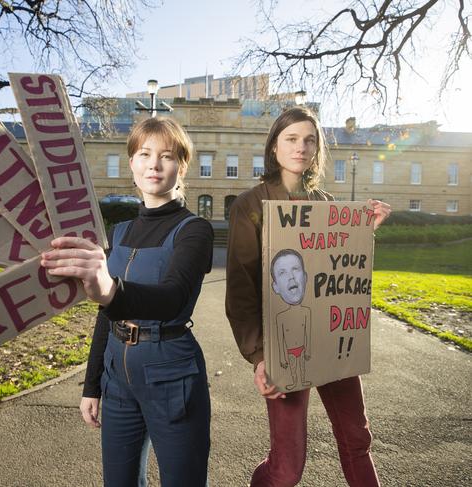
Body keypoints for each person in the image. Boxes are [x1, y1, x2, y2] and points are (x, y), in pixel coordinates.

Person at [41, 116, 213, 487]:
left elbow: (172, 297)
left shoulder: (194, 230)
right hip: (117, 379)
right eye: (144, 153)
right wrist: (92, 385)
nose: (154, 164)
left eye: (166, 156)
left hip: (172, 374)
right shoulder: (118, 233)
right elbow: (107, 315)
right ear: (132, 162)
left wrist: (110, 289)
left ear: (181, 166)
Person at [225, 106, 391, 487]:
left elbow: (342, 271)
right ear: (274, 147)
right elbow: (241, 291)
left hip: (332, 339)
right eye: (291, 139)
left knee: (357, 440)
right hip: (284, 344)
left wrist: (363, 234)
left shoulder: (327, 203)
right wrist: (259, 355)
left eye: (309, 140)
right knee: (287, 468)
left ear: (317, 149)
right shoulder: (250, 206)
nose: (301, 147)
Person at [270, 249, 312, 391]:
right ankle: (294, 382)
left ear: (305, 277)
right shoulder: (280, 317)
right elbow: (280, 339)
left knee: (303, 367)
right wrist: (282, 357)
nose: (291, 277)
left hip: (302, 348)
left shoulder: (307, 312)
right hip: (290, 350)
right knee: (293, 369)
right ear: (275, 287)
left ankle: (304, 380)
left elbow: (308, 333)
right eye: (282, 273)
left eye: (295, 269)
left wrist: (308, 350)